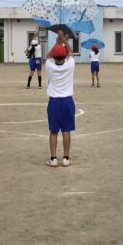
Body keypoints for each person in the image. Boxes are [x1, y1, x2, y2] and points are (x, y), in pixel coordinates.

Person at [45, 31, 76, 167]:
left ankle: (53, 159)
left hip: (54, 102)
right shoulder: (70, 65)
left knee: (53, 131)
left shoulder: (49, 65)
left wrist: (57, 43)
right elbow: (71, 52)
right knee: (66, 130)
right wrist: (63, 39)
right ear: (65, 56)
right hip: (67, 101)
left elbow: (48, 56)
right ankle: (66, 158)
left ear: (54, 57)